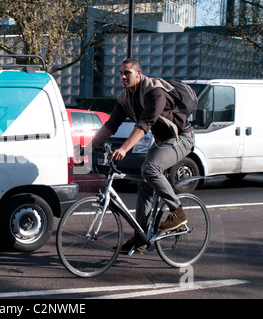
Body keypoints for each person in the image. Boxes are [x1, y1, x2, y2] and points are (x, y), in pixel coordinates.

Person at [83, 58, 195, 254]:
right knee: (144, 184)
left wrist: (124, 148)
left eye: (128, 73)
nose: (123, 77)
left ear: (139, 74)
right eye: (121, 73)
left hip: (180, 139)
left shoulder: (155, 92)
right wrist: (86, 148)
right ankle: (141, 238)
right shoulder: (125, 98)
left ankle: (177, 211)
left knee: (150, 168)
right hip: (162, 141)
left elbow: (145, 124)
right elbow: (110, 126)